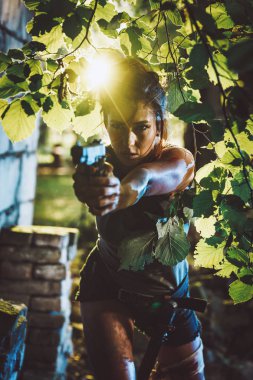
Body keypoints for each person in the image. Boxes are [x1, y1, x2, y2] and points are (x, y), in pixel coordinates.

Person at [73, 56, 205, 380]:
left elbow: (146, 178)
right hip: (108, 284)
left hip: (169, 298)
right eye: (117, 126)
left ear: (159, 123)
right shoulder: (99, 163)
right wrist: (88, 187)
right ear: (104, 123)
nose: (129, 142)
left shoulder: (178, 159)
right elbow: (85, 185)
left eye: (141, 127)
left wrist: (120, 193)